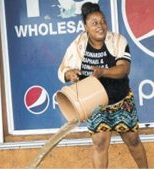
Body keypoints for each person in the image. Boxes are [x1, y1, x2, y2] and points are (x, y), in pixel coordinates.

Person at [57, 2, 148, 168]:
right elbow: (63, 70)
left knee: (133, 140)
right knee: (99, 143)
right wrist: (69, 74)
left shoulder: (118, 40)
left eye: (103, 21)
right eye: (94, 23)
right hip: (94, 104)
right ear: (85, 27)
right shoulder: (78, 45)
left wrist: (102, 72)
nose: (101, 26)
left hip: (121, 100)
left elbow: (124, 69)